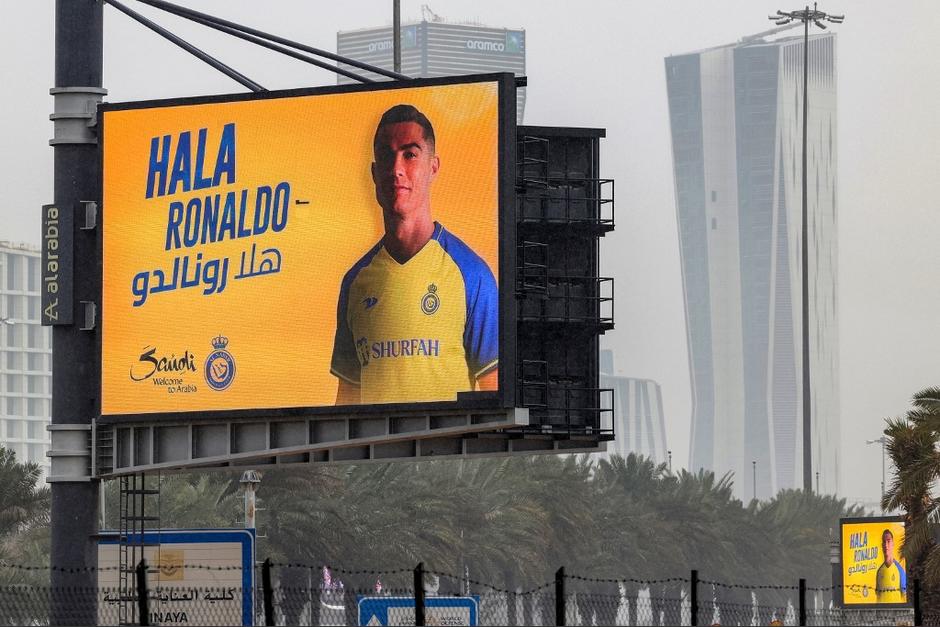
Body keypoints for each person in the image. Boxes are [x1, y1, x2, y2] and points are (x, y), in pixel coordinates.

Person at [331, 104, 498, 405]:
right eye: (386, 155)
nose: (396, 169)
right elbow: (347, 398)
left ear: (433, 167)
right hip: (374, 452)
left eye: (410, 154)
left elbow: (495, 393)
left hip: (447, 451)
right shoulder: (355, 282)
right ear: (373, 172)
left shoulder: (472, 274)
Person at [875, 528, 907, 603]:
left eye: (888, 541)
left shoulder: (900, 571)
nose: (886, 545)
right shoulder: (879, 572)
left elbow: (904, 597)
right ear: (882, 545)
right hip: (881, 613)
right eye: (884, 542)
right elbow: (878, 598)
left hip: (897, 614)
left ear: (893, 544)